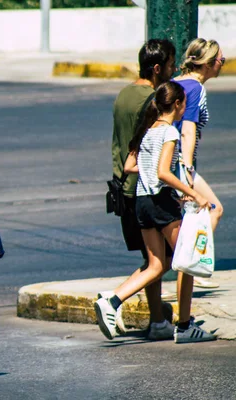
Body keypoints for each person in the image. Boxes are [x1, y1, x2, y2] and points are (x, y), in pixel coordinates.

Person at [95, 81, 217, 344]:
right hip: (160, 201)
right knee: (188, 258)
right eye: (184, 103)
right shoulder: (170, 133)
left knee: (157, 265)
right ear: (176, 104)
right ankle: (185, 326)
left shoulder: (149, 130)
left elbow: (130, 165)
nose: (186, 108)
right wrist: (193, 192)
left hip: (141, 201)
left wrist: (153, 172)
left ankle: (112, 301)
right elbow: (163, 172)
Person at [106, 39, 177, 340]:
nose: (174, 71)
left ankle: (158, 320)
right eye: (172, 65)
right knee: (170, 256)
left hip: (123, 188)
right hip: (145, 188)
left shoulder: (124, 94)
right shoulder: (151, 100)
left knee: (153, 259)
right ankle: (113, 300)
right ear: (158, 68)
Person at [173, 38, 225, 290]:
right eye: (220, 61)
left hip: (167, 161)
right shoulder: (195, 88)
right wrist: (188, 171)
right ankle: (195, 265)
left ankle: (191, 270)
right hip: (180, 165)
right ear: (207, 63)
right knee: (213, 209)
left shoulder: (174, 83)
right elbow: (188, 131)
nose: (222, 65)